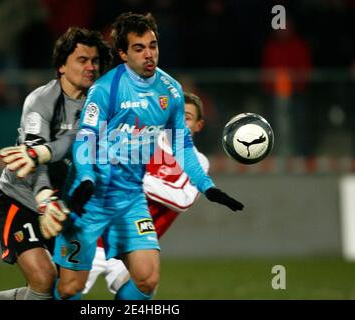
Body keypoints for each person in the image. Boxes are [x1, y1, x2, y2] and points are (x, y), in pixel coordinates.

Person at [53, 12, 243, 301]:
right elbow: (84, 142)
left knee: (147, 279)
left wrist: (207, 186)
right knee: (69, 288)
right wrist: (88, 179)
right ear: (122, 53)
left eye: (152, 45)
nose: (149, 54)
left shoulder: (171, 90)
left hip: (130, 197)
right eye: (139, 48)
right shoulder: (104, 90)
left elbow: (182, 144)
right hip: (89, 196)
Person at [0, 27, 112, 300]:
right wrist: (44, 200)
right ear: (62, 65)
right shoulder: (41, 100)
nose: (91, 67)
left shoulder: (102, 105)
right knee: (43, 277)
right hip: (20, 200)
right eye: (82, 60)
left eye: (95, 61)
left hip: (61, 209)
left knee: (62, 290)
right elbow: (34, 158)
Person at [82, 92, 209, 295]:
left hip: (134, 247)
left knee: (146, 285)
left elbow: (183, 200)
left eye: (187, 117)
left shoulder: (198, 161)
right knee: (60, 290)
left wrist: (140, 178)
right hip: (97, 235)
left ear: (198, 126)